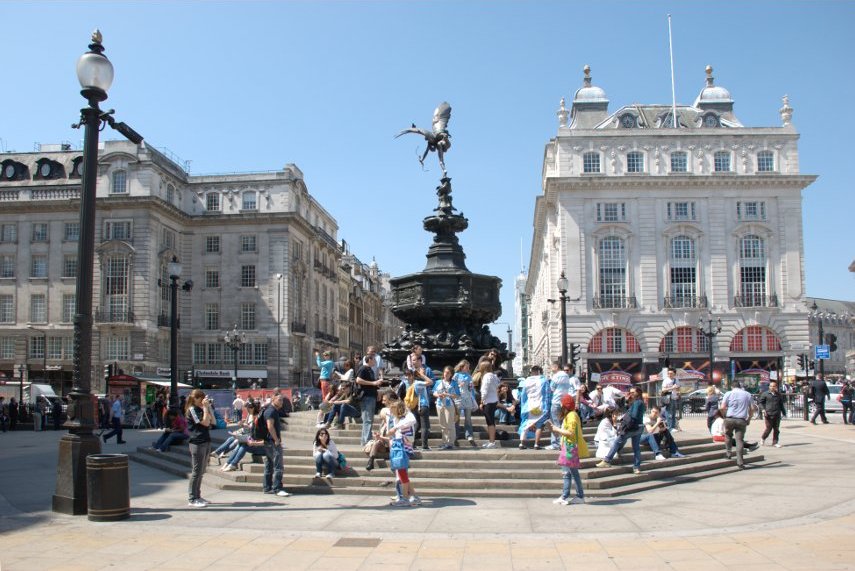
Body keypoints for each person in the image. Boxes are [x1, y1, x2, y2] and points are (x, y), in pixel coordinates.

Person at [548, 394, 588, 505]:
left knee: (568, 473)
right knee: (571, 472)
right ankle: (574, 496)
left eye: (562, 403)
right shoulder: (571, 415)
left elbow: (570, 432)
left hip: (570, 447)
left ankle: (569, 496)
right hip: (568, 447)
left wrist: (556, 429)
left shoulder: (571, 416)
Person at [597, 386, 646, 474]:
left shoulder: (637, 403)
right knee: (636, 448)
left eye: (633, 392)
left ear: (638, 393)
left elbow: (634, 415)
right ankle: (636, 467)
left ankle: (607, 460)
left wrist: (626, 418)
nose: (631, 394)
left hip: (631, 427)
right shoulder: (641, 402)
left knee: (617, 442)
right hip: (639, 427)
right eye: (630, 392)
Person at [383, 400, 420, 507]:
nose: (391, 413)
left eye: (393, 410)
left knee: (402, 474)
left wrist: (395, 428)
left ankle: (405, 498)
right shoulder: (398, 419)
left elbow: (411, 421)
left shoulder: (407, 417)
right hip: (399, 446)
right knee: (403, 474)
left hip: (402, 447)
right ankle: (414, 496)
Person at [185, 389, 215, 507]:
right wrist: (206, 408)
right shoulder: (192, 410)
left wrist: (208, 408)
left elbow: (213, 421)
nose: (203, 400)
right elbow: (205, 423)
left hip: (205, 440)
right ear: (195, 399)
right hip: (197, 442)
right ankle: (192, 498)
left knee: (201, 471)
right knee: (196, 472)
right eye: (201, 398)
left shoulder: (201, 409)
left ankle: (198, 496)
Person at [260, 394, 291, 496]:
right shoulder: (271, 411)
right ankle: (277, 488)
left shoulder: (272, 410)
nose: (281, 402)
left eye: (282, 400)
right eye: (279, 400)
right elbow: (270, 426)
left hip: (269, 442)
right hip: (272, 442)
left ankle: (267, 488)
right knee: (278, 466)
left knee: (269, 465)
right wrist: (276, 440)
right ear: (273, 399)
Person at [720, 382, 756, 470]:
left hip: (729, 418)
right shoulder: (747, 394)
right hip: (741, 419)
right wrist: (749, 419)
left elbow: (722, 407)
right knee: (739, 440)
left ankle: (728, 454)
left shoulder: (728, 393)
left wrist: (724, 416)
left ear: (732, 386)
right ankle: (740, 462)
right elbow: (752, 408)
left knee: (728, 435)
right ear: (740, 386)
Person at [220, 403, 264, 471]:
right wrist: (243, 438)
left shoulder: (262, 426)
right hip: (255, 443)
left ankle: (232, 464)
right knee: (240, 443)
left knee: (243, 445)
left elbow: (266, 442)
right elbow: (252, 435)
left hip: (263, 448)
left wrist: (253, 443)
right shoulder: (254, 421)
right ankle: (229, 463)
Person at [518, 365, 551, 450]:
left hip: (528, 406)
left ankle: (521, 443)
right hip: (540, 406)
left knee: (526, 424)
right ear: (540, 372)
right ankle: (536, 444)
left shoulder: (526, 381)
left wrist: (523, 406)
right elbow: (547, 395)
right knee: (539, 426)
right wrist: (547, 407)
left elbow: (523, 395)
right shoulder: (544, 381)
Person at [365, 391, 398, 471]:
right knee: (377, 443)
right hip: (386, 442)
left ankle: (394, 463)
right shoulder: (385, 417)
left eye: (384, 400)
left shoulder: (397, 413)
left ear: (390, 400)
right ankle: (371, 461)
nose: (382, 402)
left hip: (395, 442)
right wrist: (378, 435)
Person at [356, 353, 383, 446]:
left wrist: (377, 390)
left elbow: (372, 383)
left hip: (371, 396)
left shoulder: (370, 370)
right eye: (374, 360)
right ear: (370, 360)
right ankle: (367, 441)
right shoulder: (363, 368)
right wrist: (373, 383)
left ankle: (365, 440)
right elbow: (358, 380)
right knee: (367, 419)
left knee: (369, 419)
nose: (375, 361)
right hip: (366, 397)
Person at [433, 366, 460, 450]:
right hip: (440, 404)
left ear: (451, 374)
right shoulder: (438, 382)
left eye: (448, 373)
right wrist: (438, 395)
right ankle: (444, 442)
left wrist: (448, 395)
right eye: (445, 372)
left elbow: (457, 395)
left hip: (449, 405)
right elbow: (434, 392)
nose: (446, 374)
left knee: (450, 423)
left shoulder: (454, 383)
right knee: (442, 424)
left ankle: (450, 442)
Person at [453, 359, 478, 446]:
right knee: (457, 418)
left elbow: (471, 388)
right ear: (461, 367)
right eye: (466, 367)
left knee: (468, 418)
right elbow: (452, 386)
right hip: (459, 398)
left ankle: (469, 435)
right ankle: (455, 435)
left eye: (468, 367)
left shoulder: (469, 376)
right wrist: (459, 385)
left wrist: (471, 387)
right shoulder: (456, 375)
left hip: (467, 398)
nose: (467, 368)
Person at [548, 361, 572, 450]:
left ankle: (556, 444)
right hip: (564, 402)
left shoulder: (556, 376)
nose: (551, 369)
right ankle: (562, 442)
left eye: (551, 367)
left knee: (555, 423)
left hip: (556, 401)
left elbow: (551, 388)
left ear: (556, 367)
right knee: (561, 423)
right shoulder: (566, 375)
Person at [478, 358, 500, 448]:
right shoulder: (494, 376)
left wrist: (481, 401)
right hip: (494, 400)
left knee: (490, 422)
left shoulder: (487, 376)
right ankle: (491, 441)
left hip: (488, 401)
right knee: (491, 422)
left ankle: (492, 442)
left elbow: (484, 390)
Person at [758, 381, 787, 447]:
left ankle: (775, 442)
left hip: (777, 414)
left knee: (776, 429)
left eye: (773, 386)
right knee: (769, 428)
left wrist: (784, 413)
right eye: (771, 386)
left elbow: (781, 404)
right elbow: (760, 402)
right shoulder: (765, 394)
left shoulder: (778, 394)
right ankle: (763, 438)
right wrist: (763, 410)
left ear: (776, 387)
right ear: (769, 387)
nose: (772, 387)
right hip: (768, 414)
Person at [412, 366, 434, 450]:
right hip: (423, 406)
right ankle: (424, 445)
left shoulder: (414, 382)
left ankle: (412, 443)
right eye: (422, 370)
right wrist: (422, 375)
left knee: (417, 425)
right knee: (425, 427)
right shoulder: (418, 383)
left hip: (416, 406)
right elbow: (431, 382)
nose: (424, 370)